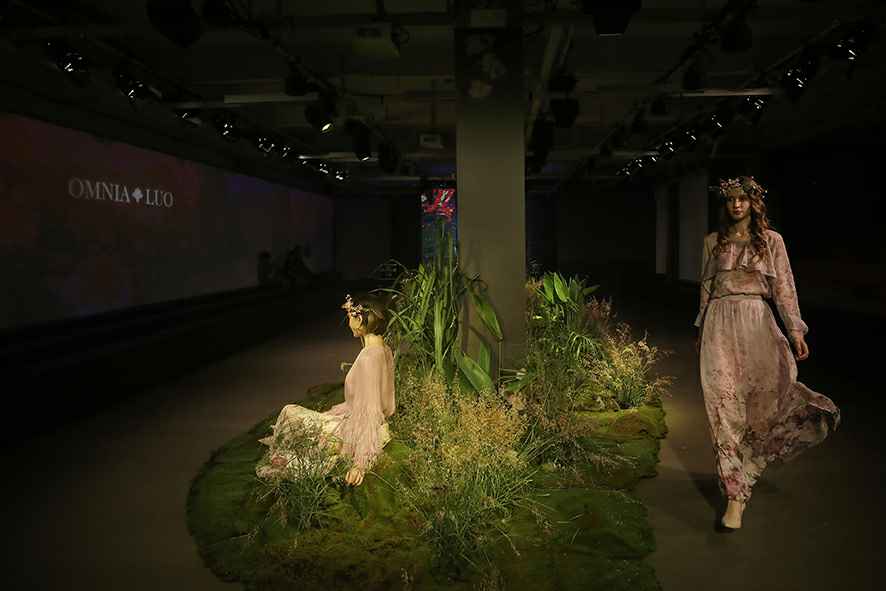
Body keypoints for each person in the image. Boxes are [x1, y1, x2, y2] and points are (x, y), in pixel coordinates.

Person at [694, 176, 840, 531]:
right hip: (718, 325)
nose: (736, 205)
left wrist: (795, 330)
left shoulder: (772, 241)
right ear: (724, 204)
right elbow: (706, 290)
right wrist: (700, 330)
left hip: (757, 322)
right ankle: (735, 496)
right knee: (723, 408)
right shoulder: (712, 242)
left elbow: (784, 287)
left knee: (764, 403)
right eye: (730, 199)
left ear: (754, 203)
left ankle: (749, 469)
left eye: (743, 199)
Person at [256, 293, 396, 486]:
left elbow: (370, 412)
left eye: (350, 317)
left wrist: (360, 463)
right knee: (299, 420)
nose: (349, 323)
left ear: (359, 320)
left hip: (354, 433)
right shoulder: (383, 349)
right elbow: (384, 404)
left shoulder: (368, 358)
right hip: (365, 423)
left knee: (289, 412)